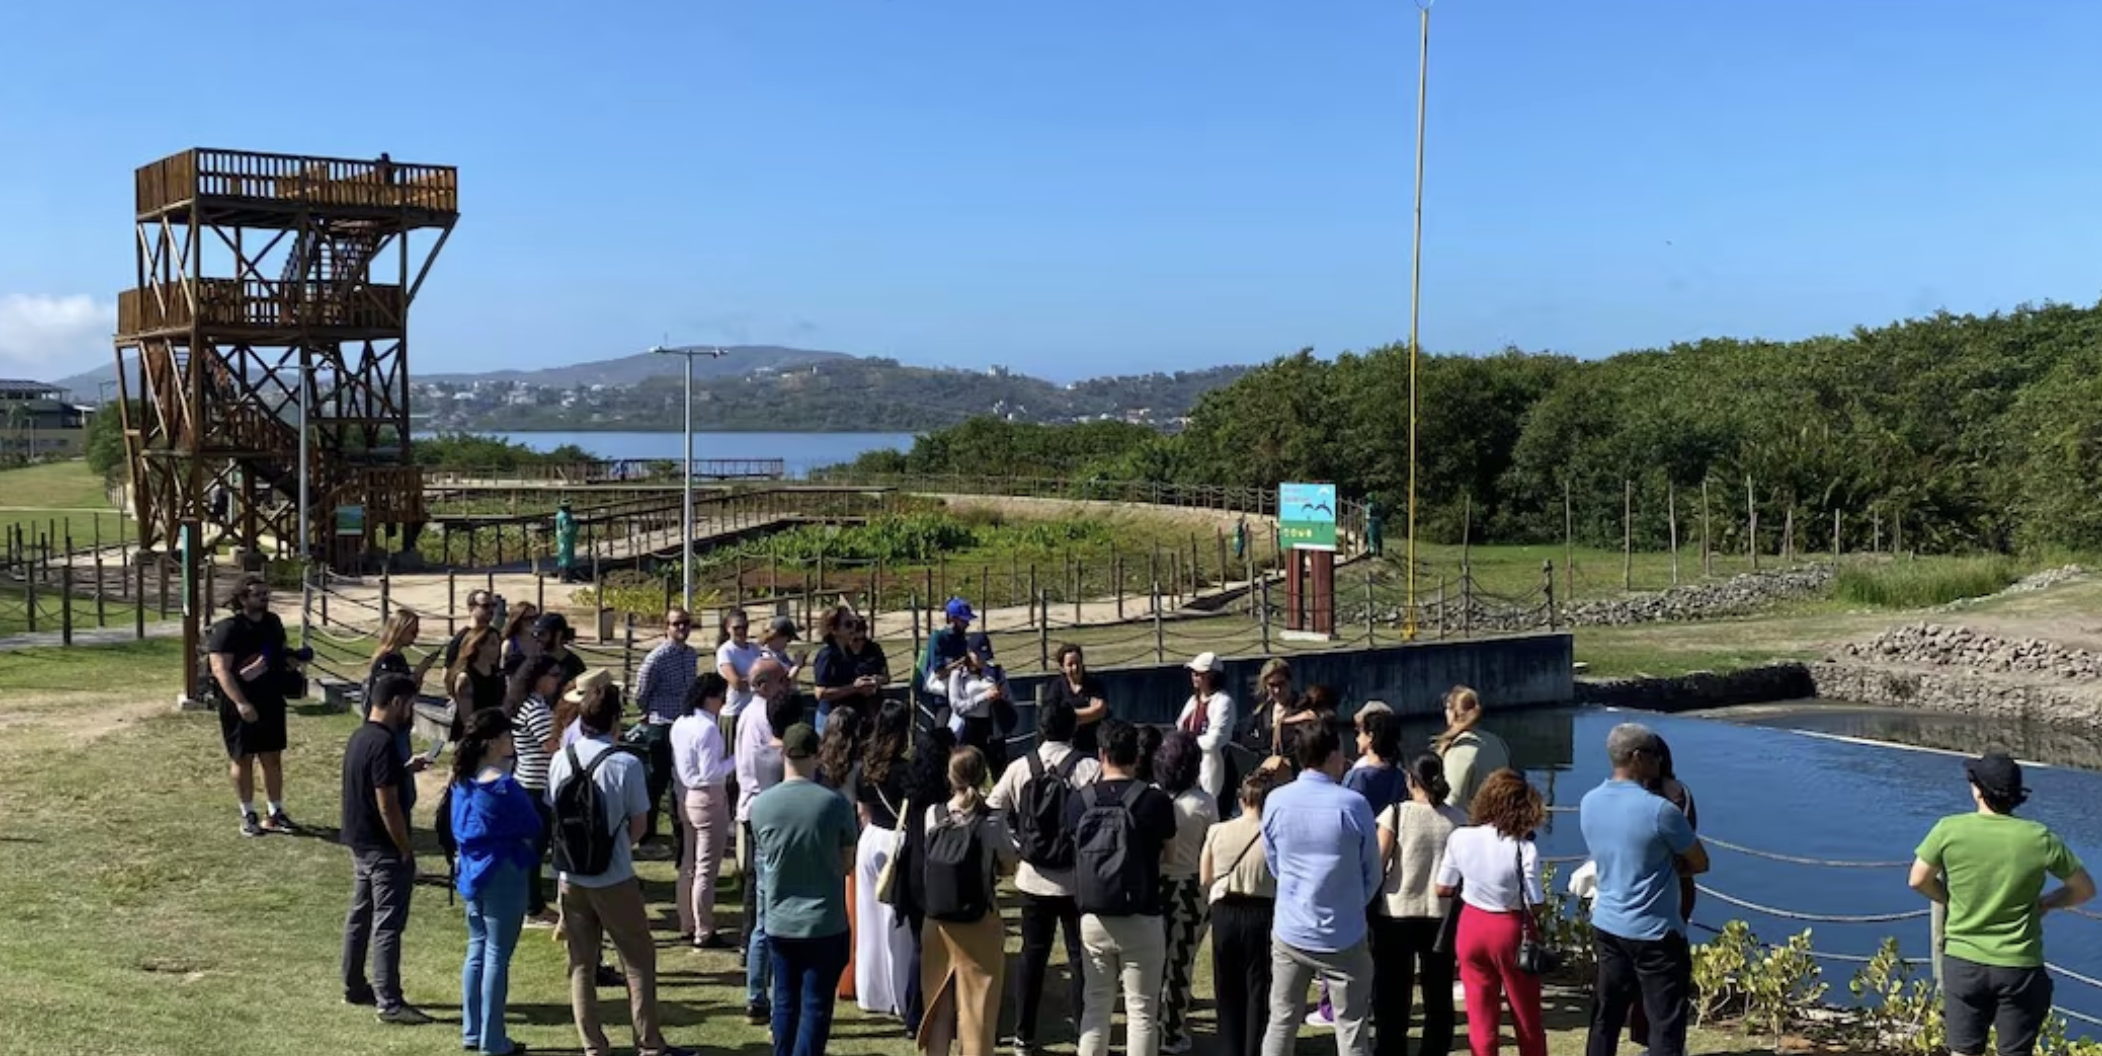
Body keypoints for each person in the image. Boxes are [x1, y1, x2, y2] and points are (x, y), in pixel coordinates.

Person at [1910, 753, 2095, 1056]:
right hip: (2019, 965)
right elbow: (2084, 890)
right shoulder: (2039, 838)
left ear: (1977, 789)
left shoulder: (1948, 829)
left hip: (1963, 961)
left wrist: (1950, 899)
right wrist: (2047, 903)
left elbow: (1918, 880)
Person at [545, 679, 694, 1056]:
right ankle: (648, 1042)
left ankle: (593, 1045)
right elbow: (640, 825)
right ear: (615, 721)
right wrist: (618, 848)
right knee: (638, 958)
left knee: (581, 961)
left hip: (570, 875)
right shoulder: (625, 763)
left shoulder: (561, 758)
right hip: (613, 875)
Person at [1579, 724, 1709, 1056]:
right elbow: (1699, 861)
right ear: (1637, 757)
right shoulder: (1661, 811)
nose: (1659, 761)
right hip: (1655, 932)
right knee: (1665, 1024)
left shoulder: (1589, 801)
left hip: (1608, 923)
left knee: (1605, 1017)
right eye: (1654, 754)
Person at [987, 696, 1103, 1056]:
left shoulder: (1021, 766)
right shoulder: (1088, 768)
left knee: (1031, 958)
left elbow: (992, 808)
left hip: (1032, 876)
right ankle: (1085, 1029)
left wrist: (1016, 844)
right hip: (1074, 878)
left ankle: (1024, 1035)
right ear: (1074, 727)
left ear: (1039, 727)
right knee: (1079, 956)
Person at [1260, 723, 1381, 1056]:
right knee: (1352, 1028)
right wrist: (1353, 903)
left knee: (1281, 1020)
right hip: (1344, 930)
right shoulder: (1353, 804)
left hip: (1291, 927)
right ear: (1331, 756)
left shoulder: (1275, 801)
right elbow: (1372, 869)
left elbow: (1274, 863)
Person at [1068, 719, 1179, 1056]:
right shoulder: (1155, 801)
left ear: (1101, 754)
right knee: (1143, 1012)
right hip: (1141, 914)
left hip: (1093, 915)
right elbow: (1170, 857)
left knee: (1095, 1007)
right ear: (1138, 755)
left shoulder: (1079, 801)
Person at [750, 723, 859, 1056]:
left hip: (780, 921)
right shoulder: (835, 804)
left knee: (784, 1001)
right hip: (825, 922)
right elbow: (847, 862)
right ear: (817, 755)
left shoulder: (762, 805)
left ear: (783, 755)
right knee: (815, 1007)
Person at [340, 672, 432, 1025]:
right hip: (383, 847)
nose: (411, 712)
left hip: (359, 843)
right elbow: (387, 804)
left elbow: (375, 780)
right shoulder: (384, 743)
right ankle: (389, 1002)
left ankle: (353, 985)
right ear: (396, 703)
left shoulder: (361, 736)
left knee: (360, 915)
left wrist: (405, 769)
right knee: (387, 924)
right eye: (410, 705)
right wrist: (405, 847)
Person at [917, 745, 1021, 1056]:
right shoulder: (992, 822)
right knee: (977, 1014)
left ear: (949, 776)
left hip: (937, 922)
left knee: (939, 1009)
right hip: (980, 921)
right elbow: (1008, 864)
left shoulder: (932, 815)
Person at [1438, 769, 1548, 1056]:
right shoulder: (1524, 848)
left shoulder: (1460, 836)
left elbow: (1443, 887)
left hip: (1471, 926)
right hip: (1510, 928)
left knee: (1481, 1018)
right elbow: (1535, 902)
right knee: (1526, 1018)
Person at [450, 709, 539, 1056]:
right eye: (506, 735)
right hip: (503, 871)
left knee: (477, 949)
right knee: (497, 955)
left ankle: (473, 1032)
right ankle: (493, 1039)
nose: (511, 741)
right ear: (492, 742)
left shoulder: (463, 780)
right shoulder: (503, 787)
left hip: (473, 871)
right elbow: (532, 824)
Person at [1372, 754, 1467, 1056]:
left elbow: (1377, 862)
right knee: (1438, 995)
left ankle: (1390, 1050)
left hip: (1397, 910)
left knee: (1392, 994)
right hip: (1440, 914)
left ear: (1411, 780)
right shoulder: (1459, 819)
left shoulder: (1396, 814)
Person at [208, 573, 310, 837]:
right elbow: (221, 670)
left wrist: (291, 662)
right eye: (258, 594)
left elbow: (278, 655)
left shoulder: (273, 623)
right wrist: (241, 702)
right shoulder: (228, 629)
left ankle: (274, 813)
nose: (265, 599)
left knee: (272, 758)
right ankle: (247, 813)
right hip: (238, 704)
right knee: (243, 759)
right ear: (243, 598)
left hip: (271, 700)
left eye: (267, 594)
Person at [738, 660, 811, 1024]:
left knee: (764, 921)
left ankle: (756, 994)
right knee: (778, 919)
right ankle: (776, 992)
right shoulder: (783, 753)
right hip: (780, 828)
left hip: (764, 825)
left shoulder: (761, 741)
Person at [1201, 769, 1283, 1056]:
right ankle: (1253, 1047)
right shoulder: (1275, 836)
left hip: (1225, 909)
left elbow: (1205, 877)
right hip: (1262, 911)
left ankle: (1228, 1047)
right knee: (1257, 986)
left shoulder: (1217, 831)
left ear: (1241, 798)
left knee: (1226, 986)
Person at [1626, 736, 1698, 1049]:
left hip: (1639, 885)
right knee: (1669, 965)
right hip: (1679, 885)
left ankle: (1645, 1033)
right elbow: (1690, 840)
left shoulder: (1633, 797)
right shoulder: (1680, 793)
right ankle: (1666, 1039)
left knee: (1639, 965)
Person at [854, 700, 920, 1018]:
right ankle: (901, 996)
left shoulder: (865, 767)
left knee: (869, 921)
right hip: (896, 840)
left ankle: (872, 992)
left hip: (870, 840)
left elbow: (862, 811)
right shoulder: (907, 770)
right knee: (898, 924)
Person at [1155, 731, 1218, 1055]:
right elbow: (1213, 851)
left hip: (1155, 887)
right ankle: (1172, 1032)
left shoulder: (1153, 797)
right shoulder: (1204, 803)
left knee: (1154, 962)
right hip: (1191, 889)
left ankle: (1151, 1024)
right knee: (1181, 964)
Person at [673, 671, 736, 949]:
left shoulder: (680, 722)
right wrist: (737, 759)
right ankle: (704, 930)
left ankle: (688, 923)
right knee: (706, 870)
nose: (723, 703)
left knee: (689, 865)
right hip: (707, 797)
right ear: (709, 698)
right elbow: (711, 773)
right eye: (722, 697)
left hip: (684, 796)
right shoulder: (708, 728)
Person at [632, 607, 700, 844]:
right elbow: (640, 691)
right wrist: (648, 710)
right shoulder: (657, 657)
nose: (682, 628)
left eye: (685, 623)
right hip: (662, 725)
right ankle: (646, 832)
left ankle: (680, 831)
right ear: (667, 628)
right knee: (657, 781)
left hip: (685, 724)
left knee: (680, 780)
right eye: (676, 624)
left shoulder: (691, 654)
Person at [504, 654, 564, 926]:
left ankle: (532, 903)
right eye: (552, 674)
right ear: (538, 678)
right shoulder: (536, 709)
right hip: (534, 785)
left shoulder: (530, 704)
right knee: (534, 848)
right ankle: (533, 907)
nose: (557, 679)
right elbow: (551, 745)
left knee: (534, 847)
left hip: (529, 782)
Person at [816, 708, 869, 1000]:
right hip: (851, 833)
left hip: (825, 832)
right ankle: (848, 973)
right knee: (851, 908)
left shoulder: (819, 763)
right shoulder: (860, 765)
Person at [812, 604, 889, 734]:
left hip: (851, 719)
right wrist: (855, 688)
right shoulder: (827, 655)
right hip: (833, 721)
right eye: (848, 624)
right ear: (834, 630)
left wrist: (866, 685)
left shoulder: (848, 652)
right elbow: (820, 693)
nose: (853, 628)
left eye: (853, 623)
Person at [1435, 686, 1510, 815]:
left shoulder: (1460, 750)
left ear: (1453, 713)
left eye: (1447, 708)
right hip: (1497, 824)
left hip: (1469, 826)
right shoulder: (1497, 742)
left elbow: (1452, 802)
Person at [1173, 652, 1235, 805]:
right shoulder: (1193, 701)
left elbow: (1216, 740)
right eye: (1193, 673)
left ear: (1212, 676)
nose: (1194, 676)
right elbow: (1179, 728)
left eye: (1199, 673)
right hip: (1189, 771)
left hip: (1213, 772)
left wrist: (1188, 744)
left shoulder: (1224, 702)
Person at [915, 597, 978, 704]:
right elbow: (939, 673)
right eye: (964, 620)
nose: (967, 624)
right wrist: (962, 661)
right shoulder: (938, 637)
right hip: (941, 694)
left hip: (960, 689)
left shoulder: (961, 638)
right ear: (952, 619)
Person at [1345, 707, 1408, 812]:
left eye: (1359, 733)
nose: (1356, 738)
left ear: (1370, 736)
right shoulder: (1400, 776)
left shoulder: (1357, 777)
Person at [554, 500, 579, 583]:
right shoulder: (565, 516)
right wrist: (575, 525)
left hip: (560, 538)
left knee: (561, 556)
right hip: (566, 539)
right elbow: (566, 528)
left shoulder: (558, 515)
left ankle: (561, 576)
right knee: (567, 558)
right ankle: (567, 578)